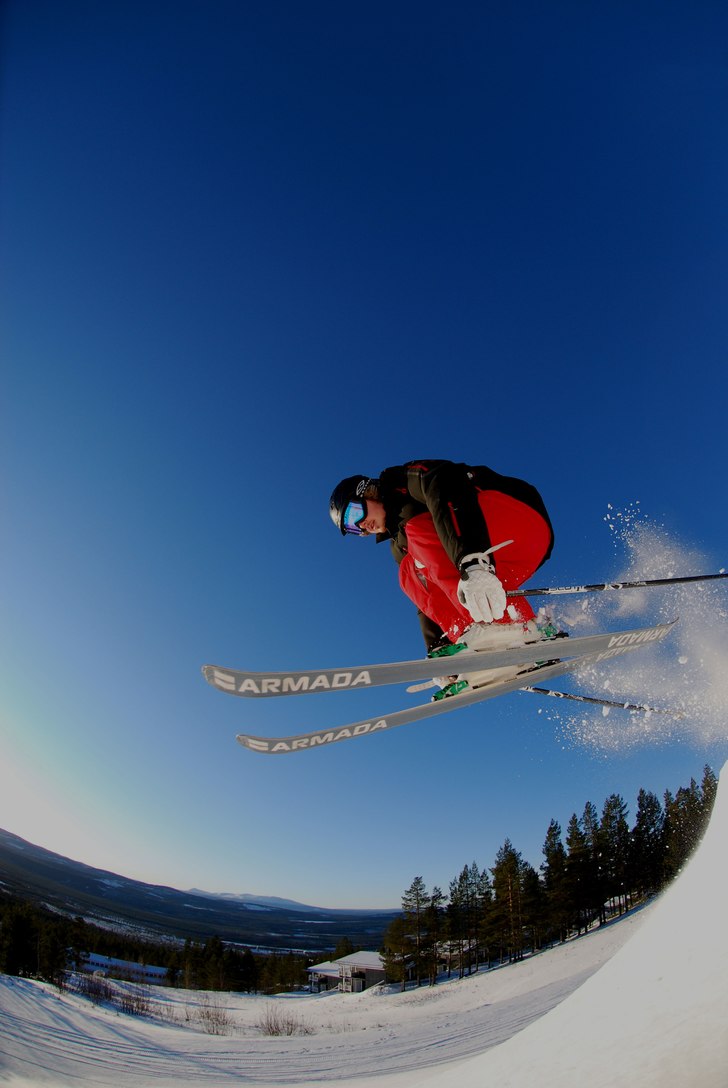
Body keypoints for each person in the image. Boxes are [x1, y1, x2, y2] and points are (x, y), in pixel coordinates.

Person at [329, 459, 556, 695]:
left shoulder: (400, 483)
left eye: (355, 513)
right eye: (353, 528)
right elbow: (426, 600)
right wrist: (439, 649)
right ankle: (485, 639)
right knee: (408, 572)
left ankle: (500, 625)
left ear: (368, 491)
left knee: (417, 533)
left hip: (516, 517)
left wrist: (473, 561)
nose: (361, 525)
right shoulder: (399, 546)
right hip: (503, 562)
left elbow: (444, 480)